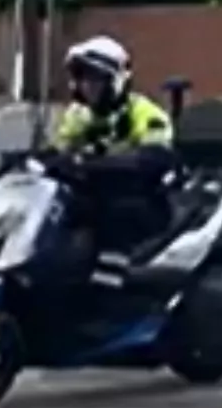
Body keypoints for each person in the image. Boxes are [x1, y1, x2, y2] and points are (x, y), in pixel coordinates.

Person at [45, 35, 176, 286]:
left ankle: (108, 287)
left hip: (144, 201)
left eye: (95, 78)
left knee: (115, 215)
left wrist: (88, 164)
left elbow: (152, 160)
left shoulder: (146, 113)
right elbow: (58, 150)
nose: (87, 86)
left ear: (116, 80)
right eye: (82, 78)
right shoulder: (79, 115)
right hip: (92, 195)